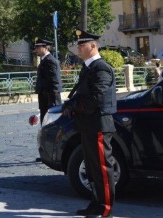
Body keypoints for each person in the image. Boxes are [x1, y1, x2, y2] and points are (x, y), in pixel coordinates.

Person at [63, 29, 116, 218]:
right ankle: (96, 203)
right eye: (78, 45)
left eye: (82, 45)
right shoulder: (88, 68)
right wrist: (71, 104)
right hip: (87, 125)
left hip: (99, 124)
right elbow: (83, 95)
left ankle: (106, 208)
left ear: (93, 46)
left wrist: (75, 106)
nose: (78, 48)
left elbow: (95, 98)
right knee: (92, 169)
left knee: (102, 168)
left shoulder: (101, 68)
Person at [34, 38, 62, 124]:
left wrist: (53, 101)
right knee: (45, 122)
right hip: (45, 97)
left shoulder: (50, 61)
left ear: (45, 48)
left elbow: (55, 81)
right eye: (36, 47)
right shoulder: (45, 60)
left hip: (50, 98)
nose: (36, 50)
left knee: (52, 123)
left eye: (38, 47)